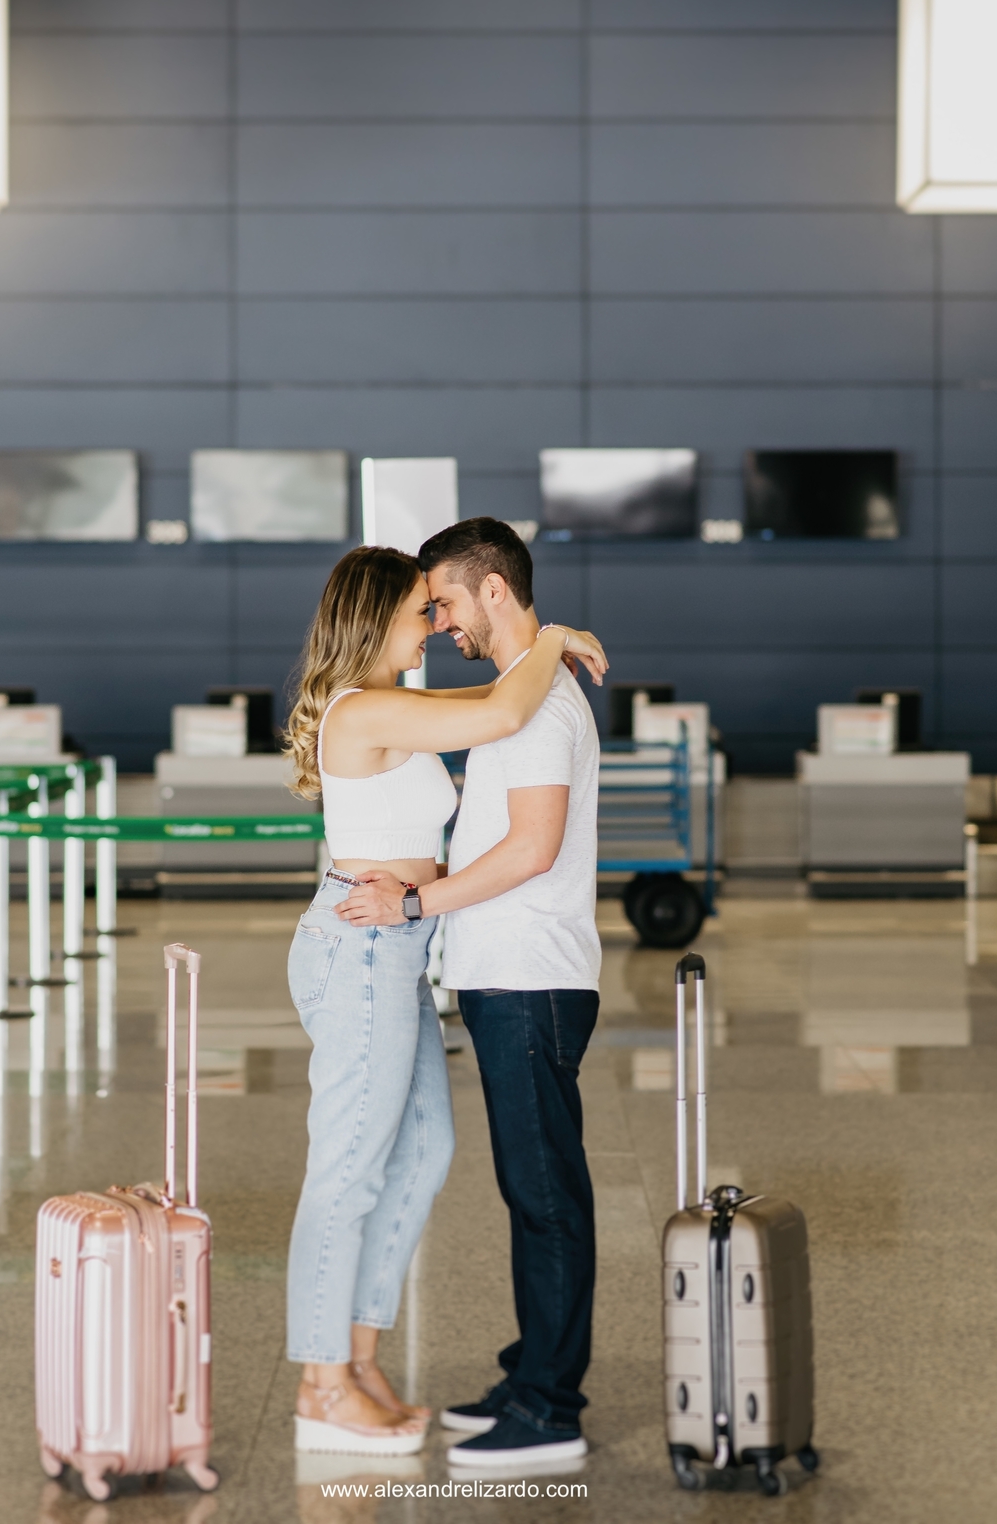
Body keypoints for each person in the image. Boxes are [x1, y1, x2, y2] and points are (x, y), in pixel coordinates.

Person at [282, 543, 607, 1455]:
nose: (433, 623)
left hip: (400, 949)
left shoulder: (404, 706)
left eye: (437, 607)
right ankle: (321, 1383)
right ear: (377, 616)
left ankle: (358, 1354)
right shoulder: (363, 709)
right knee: (348, 1167)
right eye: (419, 610)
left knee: (424, 1150)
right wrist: (560, 637)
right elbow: (506, 706)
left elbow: (497, 705)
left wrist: (538, 645)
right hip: (365, 944)